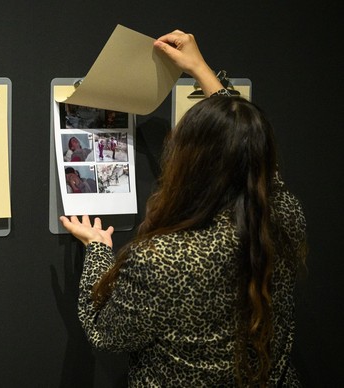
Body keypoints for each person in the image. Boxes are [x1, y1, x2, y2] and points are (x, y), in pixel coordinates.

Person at [60, 30, 307, 387]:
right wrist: (201, 70)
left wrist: (97, 250)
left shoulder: (163, 258)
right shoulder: (284, 218)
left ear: (187, 164)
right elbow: (251, 155)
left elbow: (105, 333)